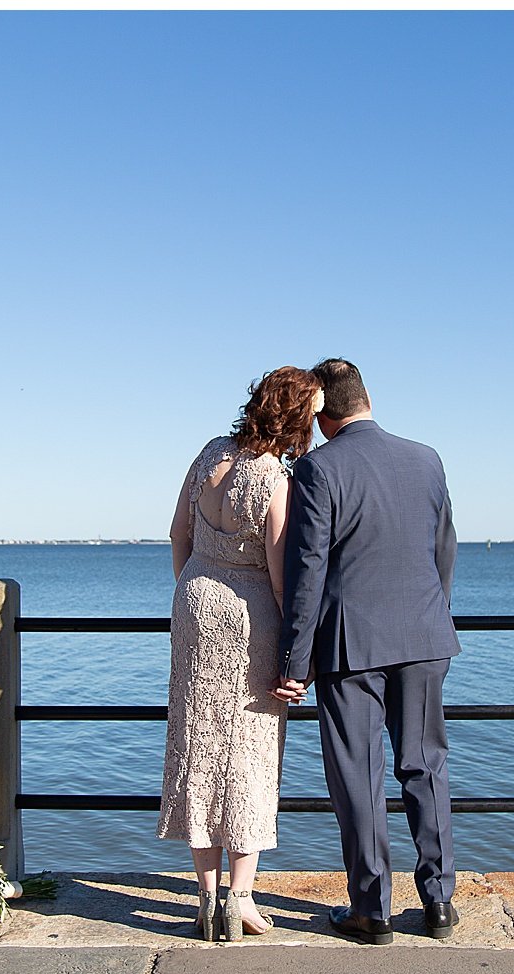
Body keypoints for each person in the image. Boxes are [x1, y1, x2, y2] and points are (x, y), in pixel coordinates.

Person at [271, 358, 460, 945]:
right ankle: (439, 904)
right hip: (424, 636)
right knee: (424, 766)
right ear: (369, 398)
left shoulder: (317, 469)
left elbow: (307, 574)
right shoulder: (426, 457)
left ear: (321, 414)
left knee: (358, 774)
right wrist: (433, 617)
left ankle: (372, 910)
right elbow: (443, 548)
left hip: (350, 645)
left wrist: (293, 662)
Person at [157, 365, 324, 942]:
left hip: (195, 602)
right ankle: (241, 899)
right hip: (250, 614)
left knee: (195, 742)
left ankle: (204, 898)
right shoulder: (275, 479)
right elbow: (281, 577)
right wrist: (291, 652)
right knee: (250, 748)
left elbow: (179, 532)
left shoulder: (210, 453)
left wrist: (194, 585)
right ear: (299, 420)